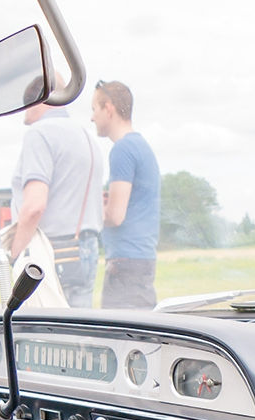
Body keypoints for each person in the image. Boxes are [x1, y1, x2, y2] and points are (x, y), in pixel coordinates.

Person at [9, 84, 105, 308]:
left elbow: (34, 206)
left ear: (40, 99)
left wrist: (15, 254)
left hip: (53, 252)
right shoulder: (87, 136)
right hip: (86, 248)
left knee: (44, 334)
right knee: (78, 332)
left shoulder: (40, 134)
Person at [91, 80, 160, 309]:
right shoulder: (140, 146)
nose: (92, 118)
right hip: (140, 260)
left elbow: (115, 216)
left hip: (126, 264)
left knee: (119, 337)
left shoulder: (122, 149)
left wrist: (92, 210)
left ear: (108, 108)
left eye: (94, 109)